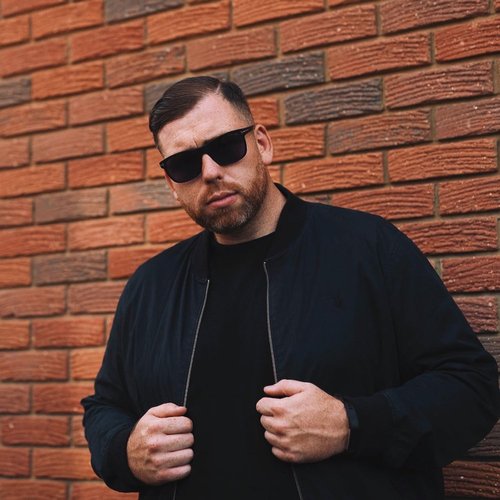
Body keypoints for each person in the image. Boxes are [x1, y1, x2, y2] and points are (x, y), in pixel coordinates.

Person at [82, 76, 500, 500]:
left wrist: (351, 424)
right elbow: (105, 406)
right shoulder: (151, 285)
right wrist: (125, 450)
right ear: (172, 185)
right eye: (184, 165)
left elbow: (471, 386)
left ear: (262, 144)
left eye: (226, 146)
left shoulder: (367, 249)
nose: (210, 172)